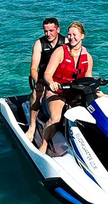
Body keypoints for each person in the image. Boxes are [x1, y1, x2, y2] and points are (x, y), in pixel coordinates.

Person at [38, 21, 94, 155]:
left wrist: (100, 93)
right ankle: (44, 143)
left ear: (82, 36)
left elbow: (89, 80)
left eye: (74, 34)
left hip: (75, 94)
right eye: (69, 34)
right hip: (57, 92)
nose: (71, 37)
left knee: (93, 114)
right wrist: (51, 82)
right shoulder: (60, 51)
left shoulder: (88, 57)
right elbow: (47, 73)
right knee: (56, 118)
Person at [25, 17, 65, 142]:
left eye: (51, 31)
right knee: (37, 94)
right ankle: (32, 126)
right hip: (43, 77)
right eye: (45, 31)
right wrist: (37, 81)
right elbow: (33, 67)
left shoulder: (66, 41)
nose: (48, 34)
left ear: (58, 29)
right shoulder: (39, 43)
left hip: (60, 78)